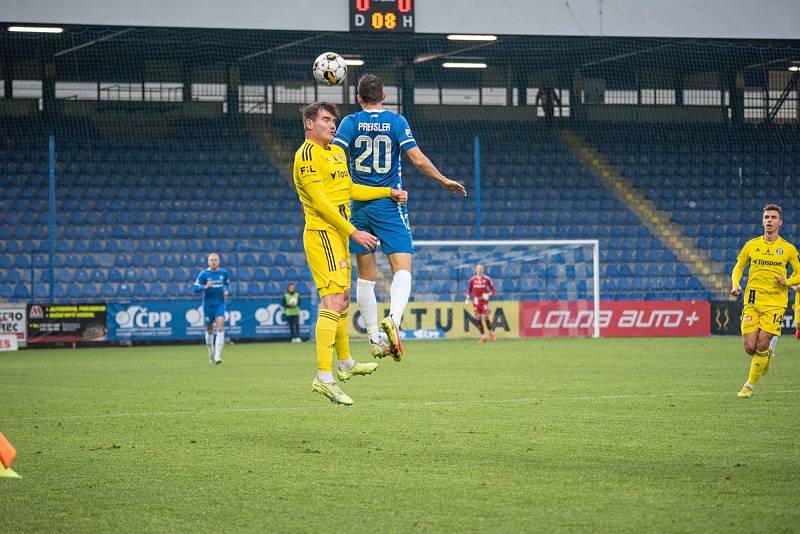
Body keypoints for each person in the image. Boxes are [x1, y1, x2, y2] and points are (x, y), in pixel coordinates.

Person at [333, 74, 467, 361]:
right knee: (402, 267)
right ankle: (392, 321)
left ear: (358, 98)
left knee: (365, 277)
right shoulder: (396, 122)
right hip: (390, 203)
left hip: (358, 205)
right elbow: (417, 160)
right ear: (384, 97)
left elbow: (334, 158)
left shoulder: (349, 123)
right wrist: (443, 180)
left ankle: (373, 338)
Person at [293, 101, 408, 406]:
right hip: (322, 235)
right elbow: (320, 203)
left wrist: (388, 191)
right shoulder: (306, 156)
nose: (333, 125)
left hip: (338, 238)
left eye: (334, 121)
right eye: (327, 120)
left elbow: (350, 190)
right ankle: (323, 377)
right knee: (332, 300)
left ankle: (345, 363)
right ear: (310, 124)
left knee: (343, 299)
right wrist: (353, 231)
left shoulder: (335, 153)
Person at [730, 204, 800, 398]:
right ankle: (765, 356)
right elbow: (738, 267)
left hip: (775, 304)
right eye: (766, 217)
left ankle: (749, 386)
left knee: (762, 344)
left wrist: (788, 281)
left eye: (773, 217)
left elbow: (799, 273)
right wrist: (735, 285)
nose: (769, 220)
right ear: (762, 221)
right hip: (752, 302)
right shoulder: (751, 245)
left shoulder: (788, 249)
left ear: (780, 222)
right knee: (749, 347)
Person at [192, 253, 229, 365]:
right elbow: (195, 289)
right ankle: (210, 352)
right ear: (208, 262)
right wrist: (205, 287)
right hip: (208, 305)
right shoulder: (204, 274)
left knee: (220, 326)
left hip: (220, 304)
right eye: (211, 260)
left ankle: (218, 355)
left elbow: (226, 284)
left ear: (219, 261)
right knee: (209, 330)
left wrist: (226, 291)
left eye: (215, 260)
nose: (213, 262)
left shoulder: (224, 273)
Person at [465, 264, 498, 343]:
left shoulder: (487, 279)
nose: (479, 270)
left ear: (483, 270)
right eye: (478, 268)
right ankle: (483, 337)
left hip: (484, 301)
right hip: (476, 301)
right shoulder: (472, 280)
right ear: (476, 270)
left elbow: (493, 290)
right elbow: (469, 290)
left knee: (486, 317)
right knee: (478, 318)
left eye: (481, 269)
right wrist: (467, 298)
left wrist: (488, 294)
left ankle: (491, 333)